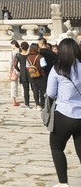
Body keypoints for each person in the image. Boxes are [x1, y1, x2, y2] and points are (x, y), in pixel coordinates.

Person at [46, 38, 81, 187]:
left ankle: (63, 183)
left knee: (57, 148)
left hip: (64, 114)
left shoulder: (57, 69)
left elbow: (50, 92)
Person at [27, 43, 48, 110]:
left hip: (32, 76)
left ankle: (37, 105)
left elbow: (27, 67)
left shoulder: (28, 57)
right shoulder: (40, 57)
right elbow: (44, 66)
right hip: (41, 76)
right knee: (43, 90)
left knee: (35, 90)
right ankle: (43, 104)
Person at [16, 41, 33, 109]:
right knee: (34, 88)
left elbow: (15, 64)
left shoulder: (18, 55)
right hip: (30, 71)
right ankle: (38, 103)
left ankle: (27, 103)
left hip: (23, 72)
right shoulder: (30, 54)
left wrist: (19, 70)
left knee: (26, 89)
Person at [8, 40, 21, 107]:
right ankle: (25, 98)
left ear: (14, 44)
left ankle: (14, 100)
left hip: (15, 69)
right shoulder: (21, 50)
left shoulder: (13, 52)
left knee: (13, 85)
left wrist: (9, 70)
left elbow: (11, 62)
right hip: (22, 69)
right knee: (24, 85)